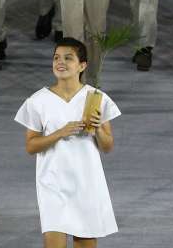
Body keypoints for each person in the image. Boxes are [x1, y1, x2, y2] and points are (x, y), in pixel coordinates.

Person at [14, 38, 120, 247]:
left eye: (68, 58)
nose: (60, 62)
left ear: (82, 65)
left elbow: (107, 147)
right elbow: (31, 146)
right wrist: (59, 133)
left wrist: (98, 127)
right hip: (52, 184)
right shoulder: (37, 101)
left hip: (87, 183)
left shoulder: (97, 98)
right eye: (56, 58)